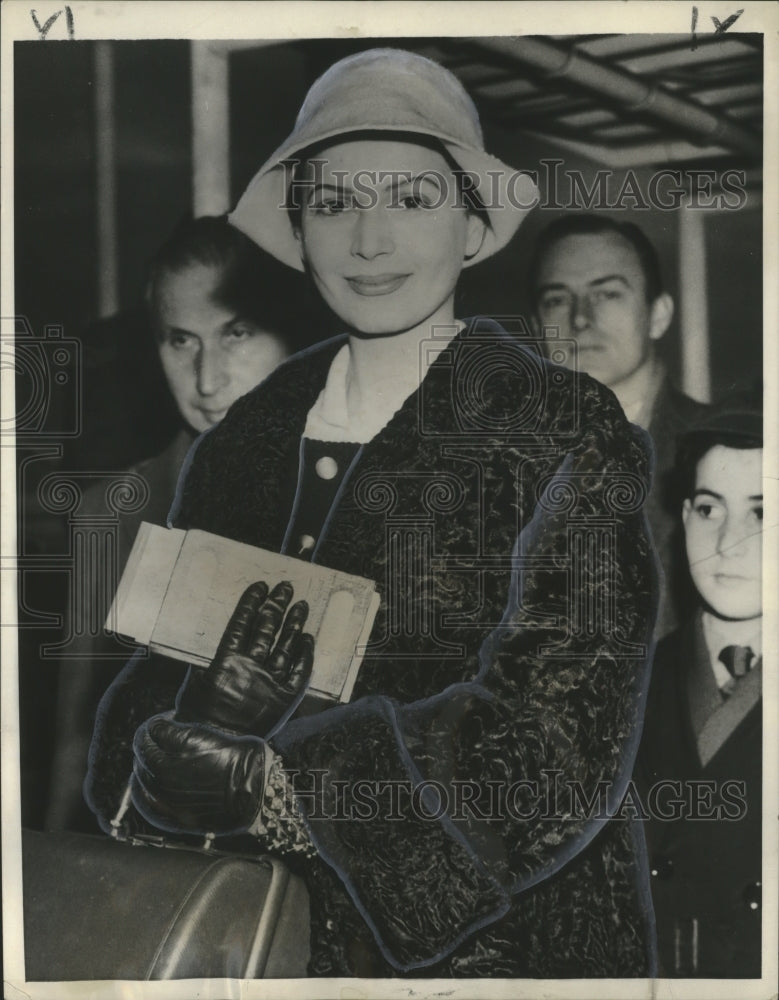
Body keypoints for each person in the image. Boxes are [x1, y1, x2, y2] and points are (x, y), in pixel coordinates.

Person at [86, 48, 658, 977]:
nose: (368, 241)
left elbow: (558, 747)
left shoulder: (564, 430)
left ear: (473, 227)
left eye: (411, 200)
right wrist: (193, 724)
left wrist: (279, 787)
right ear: (299, 233)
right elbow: (136, 722)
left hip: (504, 956)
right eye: (334, 204)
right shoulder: (241, 445)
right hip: (259, 943)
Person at [47, 217, 298, 832]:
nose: (207, 381)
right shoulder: (114, 512)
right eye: (180, 341)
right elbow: (78, 740)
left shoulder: (351, 488)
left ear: (294, 337)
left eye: (236, 333)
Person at [529, 214, 710, 637]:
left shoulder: (725, 449)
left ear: (658, 315)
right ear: (537, 327)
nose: (580, 320)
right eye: (557, 299)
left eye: (607, 294)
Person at [636, 396, 763, 977]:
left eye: (763, 513)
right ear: (683, 517)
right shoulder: (626, 687)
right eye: (710, 509)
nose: (729, 541)